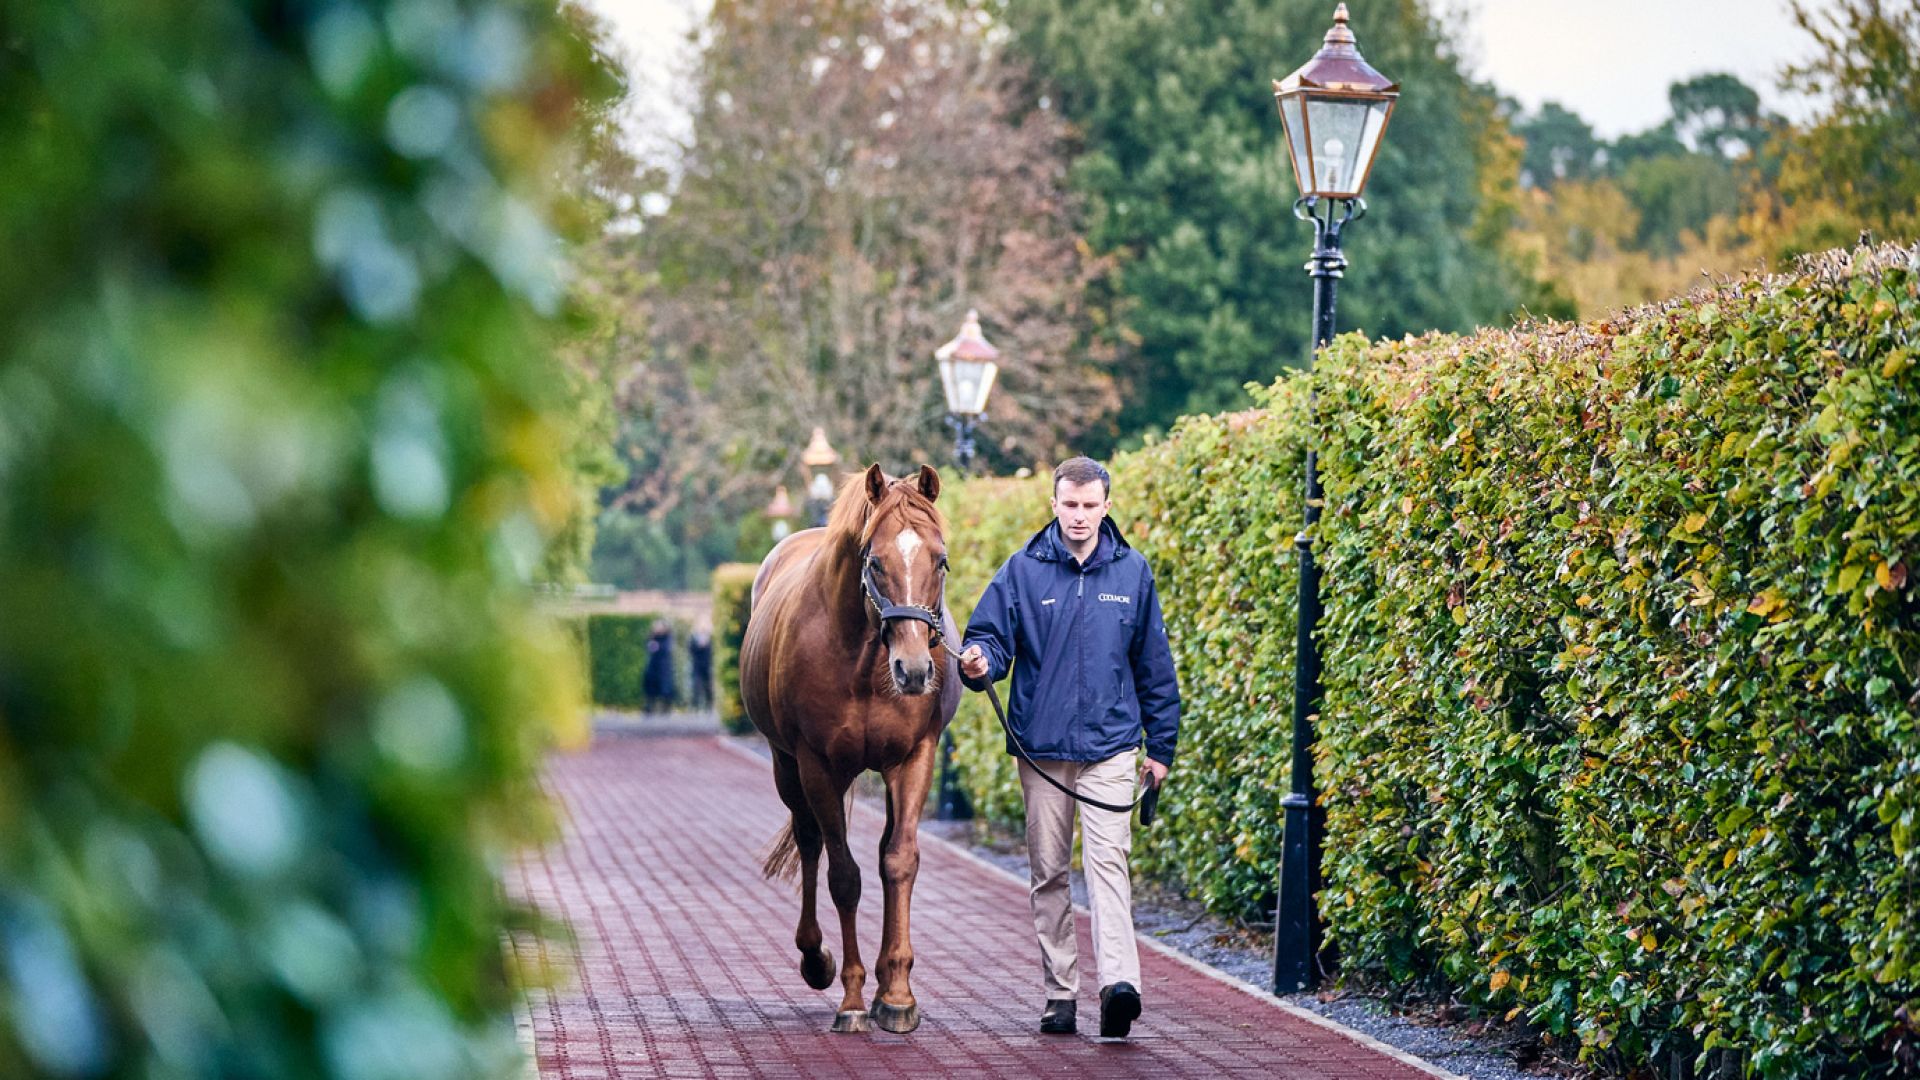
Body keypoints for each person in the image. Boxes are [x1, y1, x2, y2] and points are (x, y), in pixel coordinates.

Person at [957, 456, 1181, 1040]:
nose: (1079, 516)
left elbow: (1155, 668)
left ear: (1106, 506)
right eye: (1069, 504)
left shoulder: (1133, 572)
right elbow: (989, 637)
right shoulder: (1022, 572)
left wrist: (1161, 748)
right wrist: (980, 660)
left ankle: (1118, 986)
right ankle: (1060, 993)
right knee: (1048, 872)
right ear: (1054, 505)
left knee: (1109, 865)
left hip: (1111, 747)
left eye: (1089, 505)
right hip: (1043, 750)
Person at [642, 619, 677, 714]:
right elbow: (648, 647)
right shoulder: (652, 637)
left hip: (664, 667)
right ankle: (649, 707)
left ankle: (666, 709)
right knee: (650, 688)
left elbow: (667, 649)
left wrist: (657, 646)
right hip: (652, 666)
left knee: (665, 689)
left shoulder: (668, 637)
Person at [687, 618, 714, 710]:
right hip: (697, 665)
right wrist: (699, 646)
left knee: (707, 686)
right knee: (696, 685)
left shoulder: (709, 637)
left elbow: (711, 652)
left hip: (706, 665)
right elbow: (690, 649)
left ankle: (708, 705)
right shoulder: (693, 637)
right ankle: (695, 705)